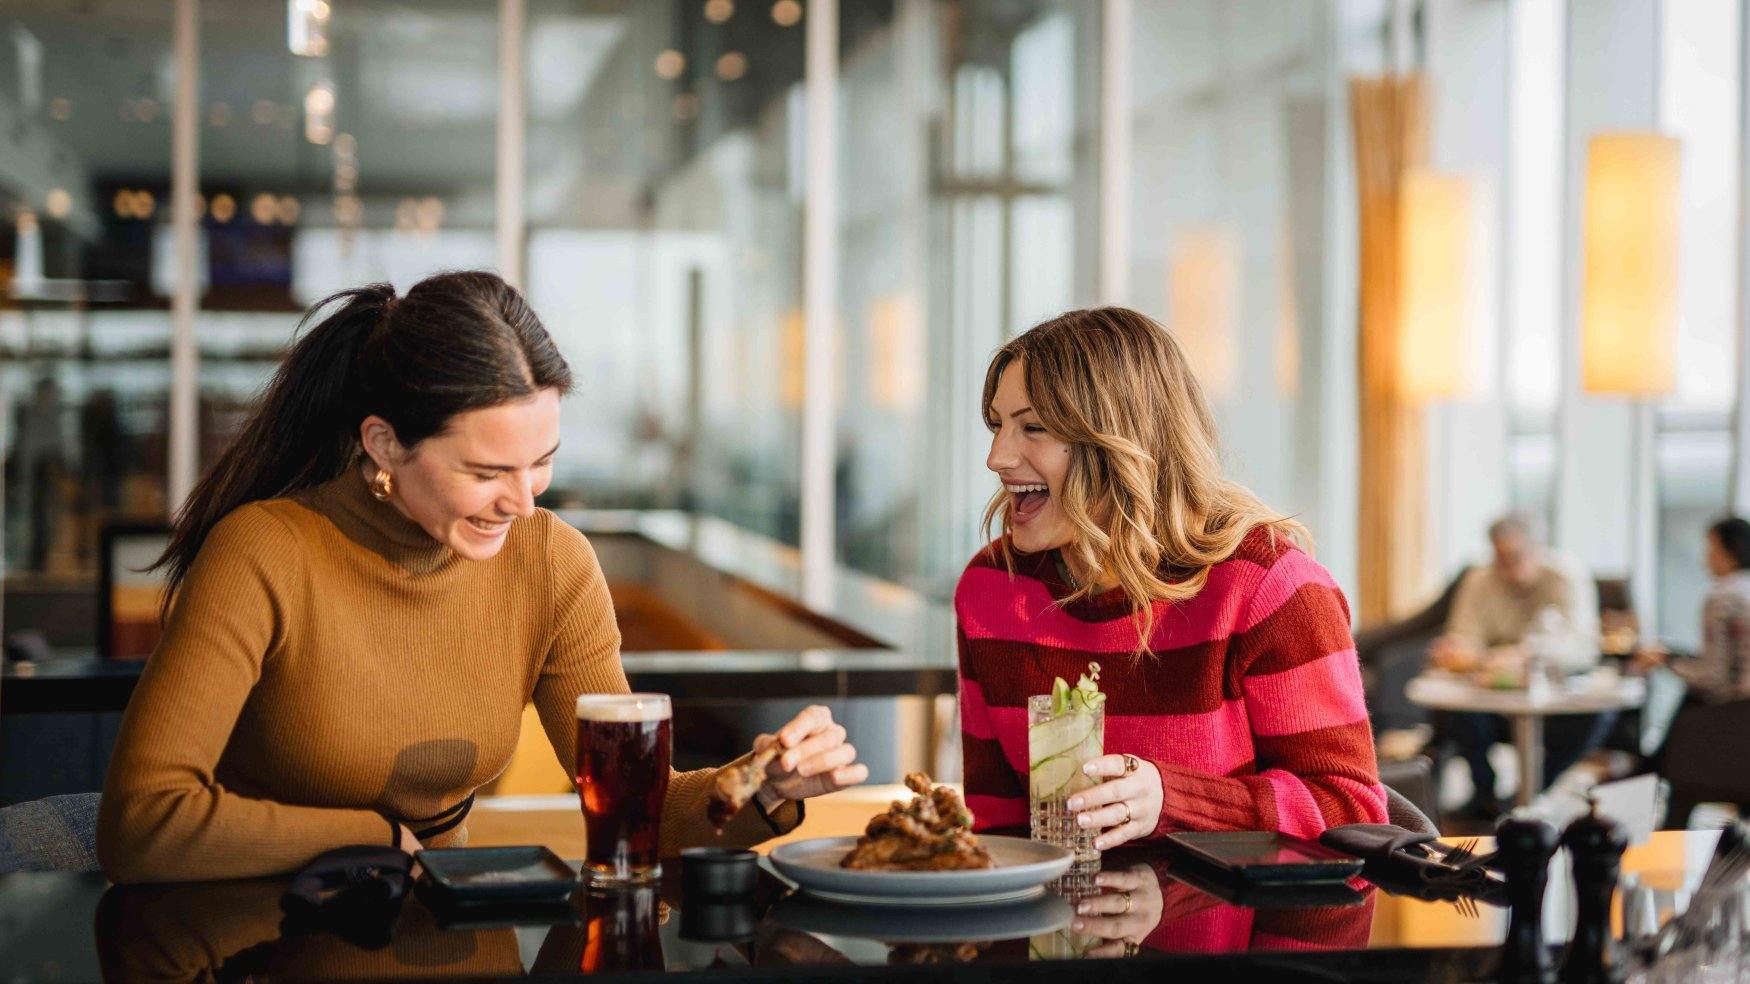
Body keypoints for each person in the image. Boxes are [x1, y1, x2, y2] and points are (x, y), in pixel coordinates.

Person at [97, 272, 865, 883]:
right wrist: (369, 837)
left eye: (542, 463)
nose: (523, 502)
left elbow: (640, 813)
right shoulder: (263, 553)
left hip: (452, 927)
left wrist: (762, 787)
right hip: (261, 934)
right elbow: (142, 823)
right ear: (385, 444)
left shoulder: (552, 562)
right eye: (487, 471)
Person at [955, 307, 1386, 850]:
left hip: (1235, 909)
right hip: (1061, 908)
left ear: (1120, 439)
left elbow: (1353, 811)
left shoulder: (1269, 587)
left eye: (1033, 427)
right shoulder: (993, 588)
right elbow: (998, 828)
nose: (997, 456)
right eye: (997, 425)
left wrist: (1173, 800)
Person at [1429, 512, 1609, 817]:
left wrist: (1526, 655)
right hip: (1491, 694)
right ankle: (1483, 793)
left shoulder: (1565, 576)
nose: (1507, 566)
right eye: (1500, 557)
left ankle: (1530, 793)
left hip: (1555, 696)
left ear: (1539, 548)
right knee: (1457, 712)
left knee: (1598, 717)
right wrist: (1458, 650)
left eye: (1516, 556)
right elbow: (1465, 634)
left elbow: (1580, 646)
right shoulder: (1479, 579)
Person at [1635, 516, 1750, 702]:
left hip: (1737, 708)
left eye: (1711, 549)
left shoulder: (1724, 597)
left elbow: (1713, 678)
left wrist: (1666, 661)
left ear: (1731, 551)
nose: (1706, 558)